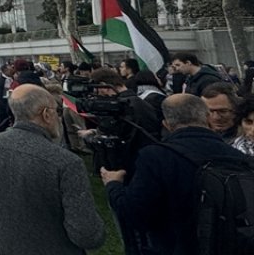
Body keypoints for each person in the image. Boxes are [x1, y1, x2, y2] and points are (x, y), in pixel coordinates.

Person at [102, 94, 251, 255]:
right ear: (207, 117)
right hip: (222, 244)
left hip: (173, 246)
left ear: (166, 124)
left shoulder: (155, 157)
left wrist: (113, 185)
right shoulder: (237, 155)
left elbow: (134, 212)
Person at [0, 84, 105, 255]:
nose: (58, 118)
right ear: (46, 114)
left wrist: (3, 236)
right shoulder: (66, 162)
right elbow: (87, 234)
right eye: (57, 111)